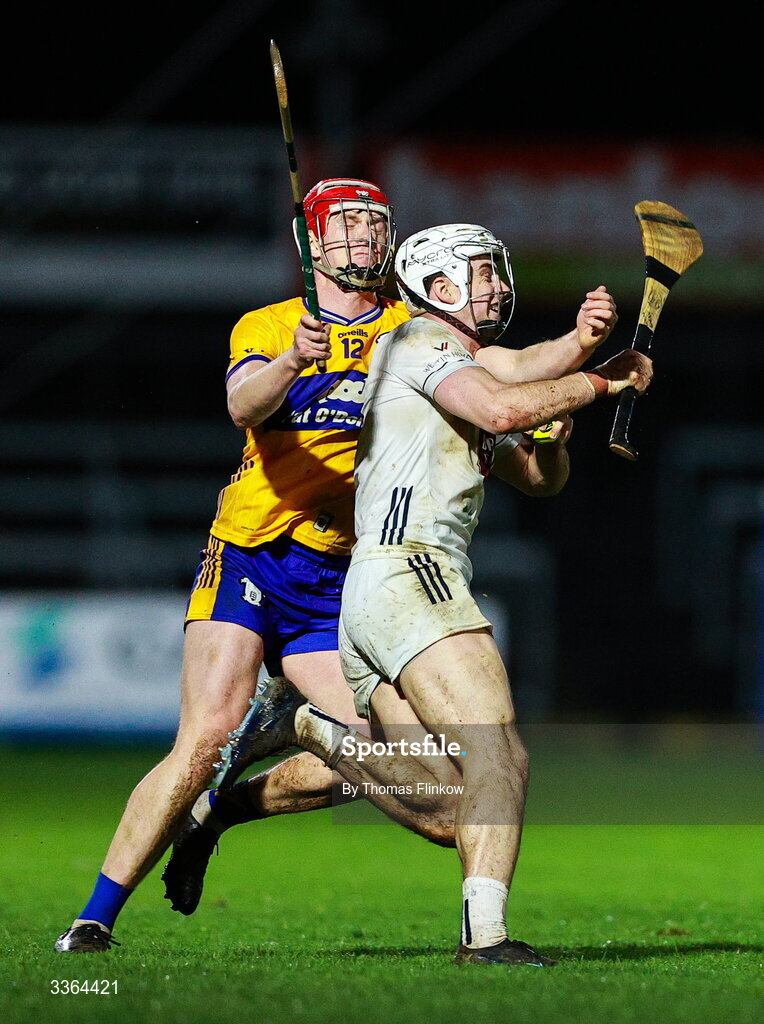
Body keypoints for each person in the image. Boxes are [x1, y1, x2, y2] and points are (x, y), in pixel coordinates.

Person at [220, 223, 653, 966]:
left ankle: (318, 732)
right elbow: (502, 409)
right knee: (501, 757)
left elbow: (535, 461)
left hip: (376, 592)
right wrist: (602, 380)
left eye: (496, 271)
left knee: (453, 805)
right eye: (480, 273)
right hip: (410, 572)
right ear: (439, 287)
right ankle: (485, 941)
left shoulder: (465, 362)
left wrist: (578, 356)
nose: (497, 284)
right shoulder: (420, 341)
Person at [54, 177, 410, 952]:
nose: (363, 240)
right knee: (208, 734)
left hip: (337, 574)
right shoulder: (271, 323)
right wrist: (292, 362)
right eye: (345, 226)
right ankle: (94, 919)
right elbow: (243, 404)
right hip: (252, 550)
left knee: (368, 758)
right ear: (312, 242)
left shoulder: (411, 329)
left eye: (374, 226)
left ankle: (219, 814)